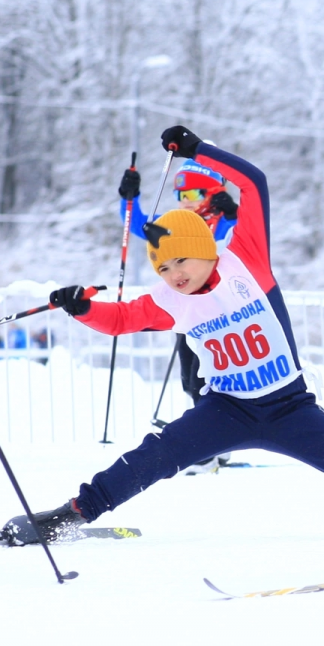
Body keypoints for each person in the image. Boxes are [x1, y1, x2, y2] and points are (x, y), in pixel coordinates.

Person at [5, 125, 324, 543]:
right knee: (151, 457)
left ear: (206, 250)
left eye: (182, 262)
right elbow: (120, 320)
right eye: (163, 268)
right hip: (226, 410)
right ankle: (72, 515)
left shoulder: (246, 259)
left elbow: (254, 183)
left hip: (290, 408)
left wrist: (196, 150)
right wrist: (82, 308)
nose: (174, 275)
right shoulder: (169, 299)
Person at [117, 159, 240, 451]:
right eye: (180, 195)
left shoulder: (221, 221)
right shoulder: (172, 226)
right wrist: (129, 196)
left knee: (212, 384)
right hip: (190, 317)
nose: (185, 203)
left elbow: (245, 235)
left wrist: (235, 212)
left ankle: (213, 447)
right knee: (190, 381)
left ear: (212, 193)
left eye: (194, 195)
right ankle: (215, 447)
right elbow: (135, 224)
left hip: (224, 318)